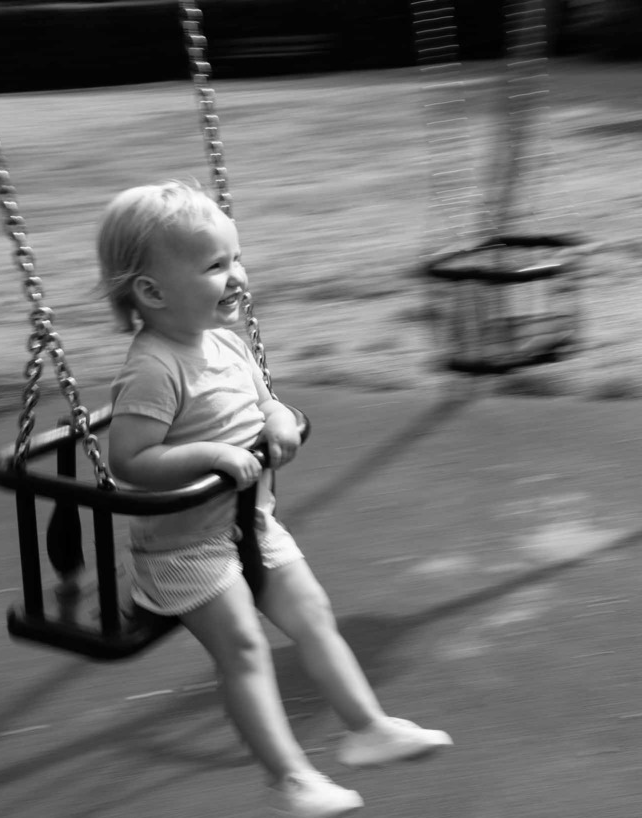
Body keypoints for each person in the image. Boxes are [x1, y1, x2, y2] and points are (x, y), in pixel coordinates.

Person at [97, 180, 452, 817]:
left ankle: (367, 728)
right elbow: (129, 460)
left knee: (313, 612)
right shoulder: (154, 368)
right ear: (151, 293)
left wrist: (280, 417)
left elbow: (263, 403)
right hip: (184, 548)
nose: (236, 276)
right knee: (244, 647)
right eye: (213, 266)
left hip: (247, 523)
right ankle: (288, 778)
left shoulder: (227, 342)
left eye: (235, 258)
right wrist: (210, 455)